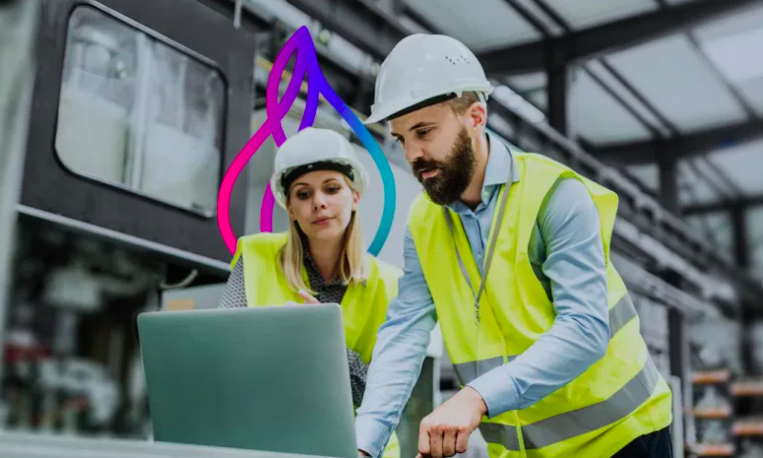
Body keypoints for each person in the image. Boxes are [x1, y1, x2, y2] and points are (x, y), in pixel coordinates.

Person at [354, 34, 674, 458]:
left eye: (424, 132)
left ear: (476, 117)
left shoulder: (555, 195)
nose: (413, 153)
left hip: (623, 439)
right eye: (401, 139)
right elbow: (403, 334)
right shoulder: (422, 223)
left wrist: (474, 398)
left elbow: (585, 328)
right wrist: (363, 444)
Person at [218, 127, 402, 458]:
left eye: (332, 189)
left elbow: (379, 394)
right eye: (303, 194)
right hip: (270, 444)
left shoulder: (390, 284)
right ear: (289, 208)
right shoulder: (256, 257)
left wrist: (324, 341)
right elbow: (224, 358)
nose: (319, 202)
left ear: (355, 196)